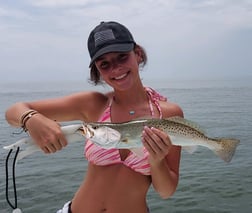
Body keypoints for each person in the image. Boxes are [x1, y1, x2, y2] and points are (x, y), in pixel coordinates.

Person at [5, 21, 183, 213]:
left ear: (137, 54)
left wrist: (157, 161)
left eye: (122, 57)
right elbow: (13, 112)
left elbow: (166, 191)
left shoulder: (169, 114)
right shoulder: (93, 104)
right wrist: (31, 118)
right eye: (104, 64)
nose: (115, 69)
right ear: (97, 70)